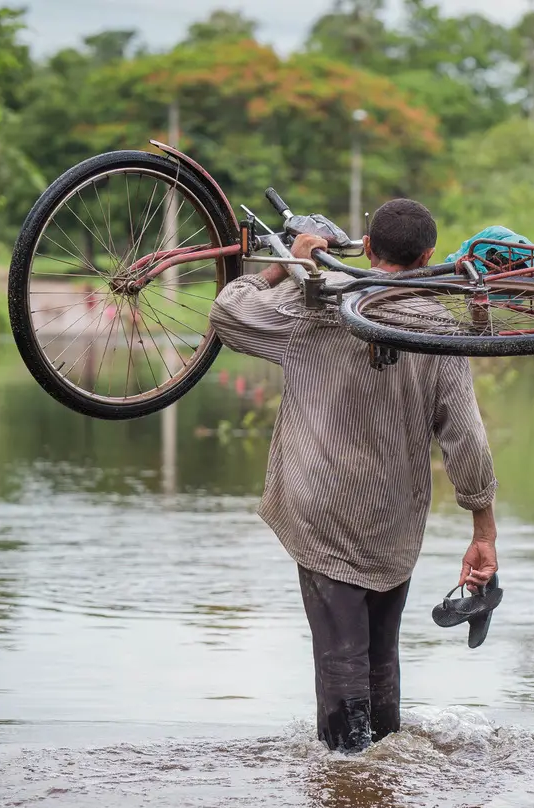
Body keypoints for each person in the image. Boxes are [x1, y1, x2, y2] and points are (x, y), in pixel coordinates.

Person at [208, 198, 498, 753]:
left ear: (366, 248)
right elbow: (466, 437)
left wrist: (286, 265)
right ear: (429, 257)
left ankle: (347, 774)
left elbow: (227, 313)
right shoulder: (439, 329)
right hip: (393, 516)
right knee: (381, 656)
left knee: (341, 655)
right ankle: (378, 780)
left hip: (320, 505)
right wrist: (483, 532)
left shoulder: (317, 305)